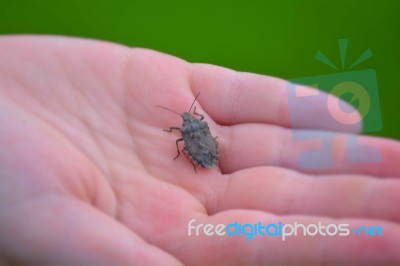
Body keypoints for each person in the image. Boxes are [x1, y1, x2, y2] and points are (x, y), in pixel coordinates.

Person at [0, 35, 399, 265]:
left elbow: (193, 139)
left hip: (204, 152)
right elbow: (195, 138)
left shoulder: (191, 129)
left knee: (190, 147)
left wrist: (195, 151)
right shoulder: (194, 127)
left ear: (194, 122)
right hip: (205, 151)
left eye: (190, 121)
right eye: (189, 123)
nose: (189, 124)